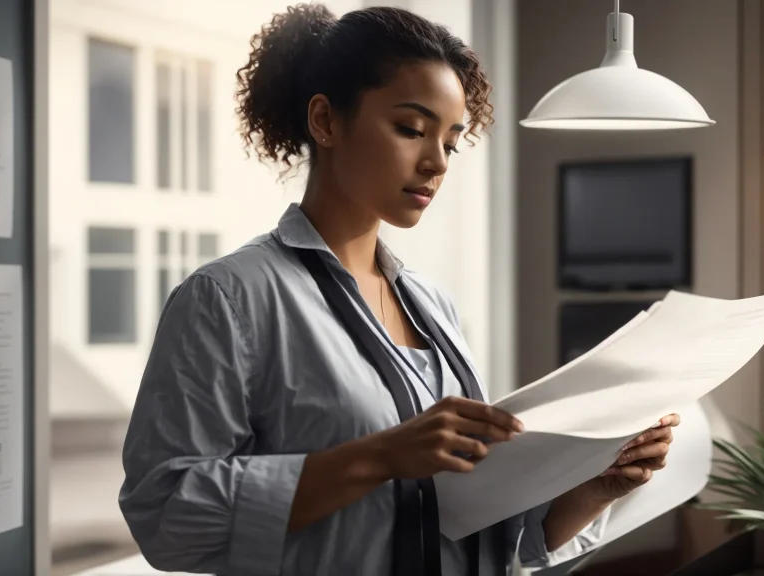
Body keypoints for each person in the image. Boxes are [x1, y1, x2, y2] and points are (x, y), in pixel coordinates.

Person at [118, 4, 679, 576]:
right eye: (411, 129)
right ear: (326, 121)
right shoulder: (229, 298)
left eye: (452, 142)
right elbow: (166, 519)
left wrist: (595, 486)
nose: (436, 162)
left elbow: (486, 532)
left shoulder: (433, 305)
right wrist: (380, 456)